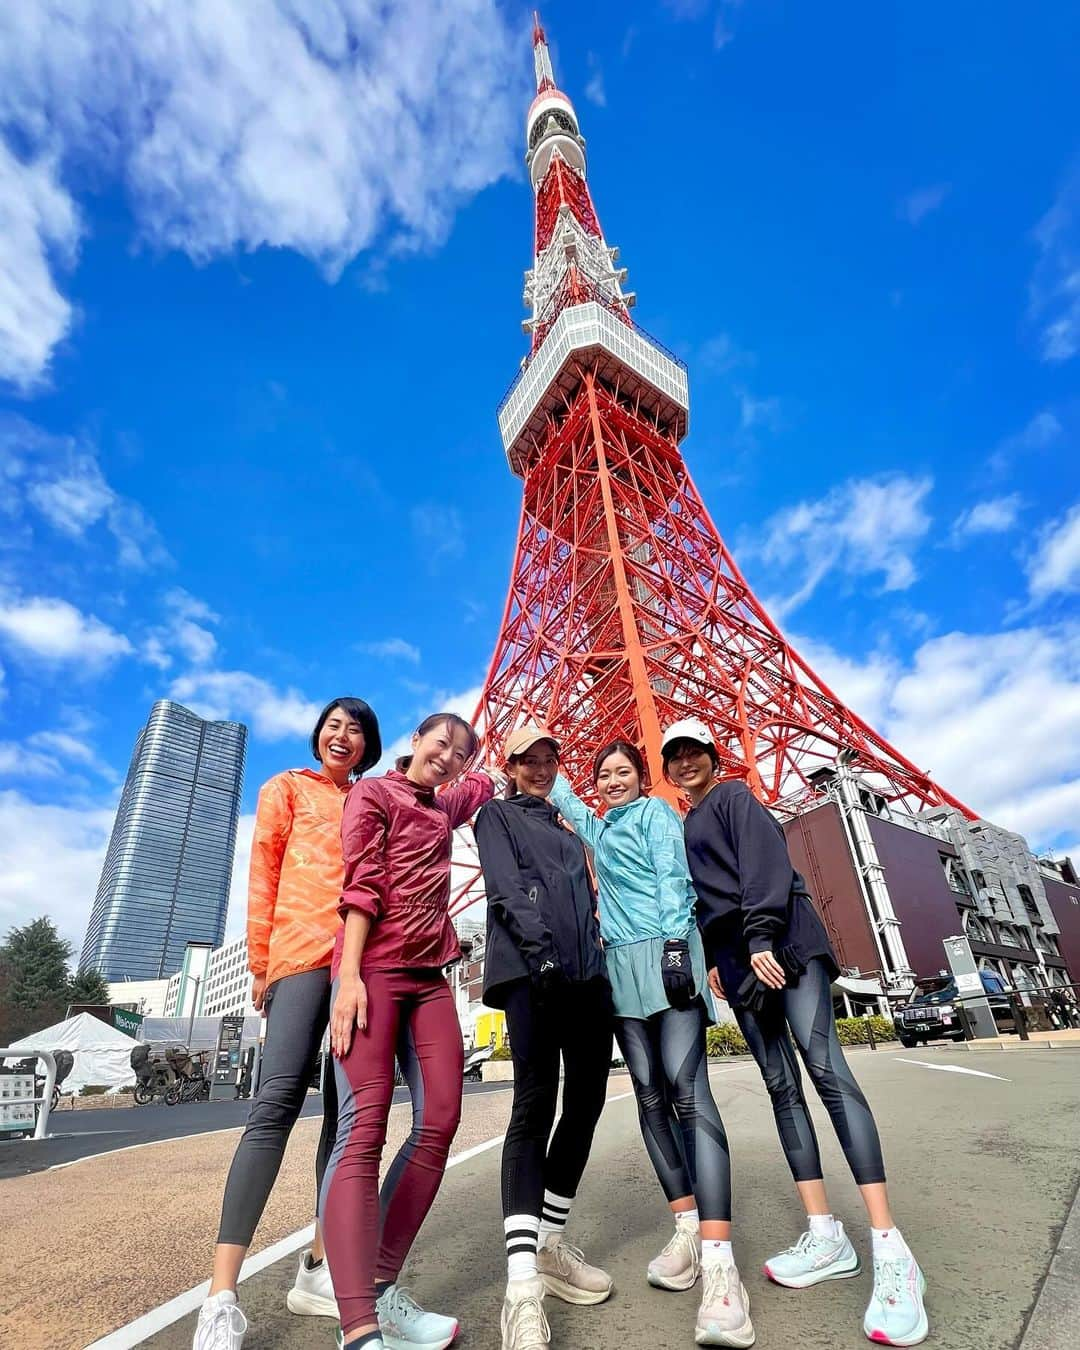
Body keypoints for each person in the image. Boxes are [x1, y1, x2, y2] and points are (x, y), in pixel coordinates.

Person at [661, 717, 928, 1349]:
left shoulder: (732, 798)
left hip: (784, 943)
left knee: (826, 1070)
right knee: (782, 1088)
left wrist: (755, 939)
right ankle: (825, 1233)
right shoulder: (684, 825)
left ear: (712, 756)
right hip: (743, 962)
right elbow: (702, 904)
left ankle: (891, 1249)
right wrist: (720, 963)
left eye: (695, 751)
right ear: (667, 770)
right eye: (675, 756)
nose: (685, 762)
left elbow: (765, 866)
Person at [549, 742, 754, 1349]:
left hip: (666, 952)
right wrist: (533, 750)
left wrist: (671, 944)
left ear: (642, 777)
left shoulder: (657, 814)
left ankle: (720, 1259)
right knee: (649, 1096)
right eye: (604, 775)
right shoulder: (601, 825)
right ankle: (686, 1228)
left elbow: (672, 875)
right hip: (620, 967)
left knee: (687, 1091)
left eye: (624, 773)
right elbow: (565, 800)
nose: (614, 782)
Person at [193, 697, 382, 1350]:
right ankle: (221, 1296)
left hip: (356, 965)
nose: (343, 734)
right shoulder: (285, 789)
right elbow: (262, 875)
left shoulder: (371, 800)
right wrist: (259, 966)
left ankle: (317, 1267)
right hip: (299, 955)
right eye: (334, 724)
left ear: (368, 746)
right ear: (317, 736)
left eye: (356, 729)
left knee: (344, 1111)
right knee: (274, 1103)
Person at [321, 712, 495, 1350]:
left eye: (460, 752)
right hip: (371, 971)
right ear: (414, 743)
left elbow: (481, 788)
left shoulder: (443, 806)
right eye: (439, 744)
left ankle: (382, 1284)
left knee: (441, 1119)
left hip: (428, 979)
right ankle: (358, 1328)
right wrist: (349, 978)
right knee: (363, 1130)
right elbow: (360, 885)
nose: (448, 757)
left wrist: (502, 772)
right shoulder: (374, 793)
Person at [475, 726, 614, 1350]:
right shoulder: (495, 814)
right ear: (510, 767)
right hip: (535, 973)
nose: (539, 768)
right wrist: (541, 955)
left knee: (586, 1101)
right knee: (534, 1105)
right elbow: (505, 888)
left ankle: (551, 1243)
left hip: (586, 975)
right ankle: (522, 1284)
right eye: (528, 761)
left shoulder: (566, 827)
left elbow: (587, 899)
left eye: (549, 760)